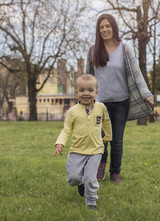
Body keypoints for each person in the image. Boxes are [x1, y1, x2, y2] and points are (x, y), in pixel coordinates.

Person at [86, 14, 154, 183]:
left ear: (114, 28)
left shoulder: (125, 48)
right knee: (101, 139)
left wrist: (147, 94)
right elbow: (88, 76)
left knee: (117, 140)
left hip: (120, 102)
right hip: (99, 103)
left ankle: (115, 172)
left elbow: (136, 73)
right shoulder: (93, 50)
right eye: (101, 27)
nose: (105, 29)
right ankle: (100, 165)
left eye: (108, 26)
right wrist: (84, 98)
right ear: (98, 30)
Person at [54, 74, 112, 209]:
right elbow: (66, 130)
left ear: (96, 92)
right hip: (77, 151)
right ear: (76, 93)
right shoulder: (72, 111)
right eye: (82, 90)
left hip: (96, 150)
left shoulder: (101, 107)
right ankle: (80, 184)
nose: (86, 93)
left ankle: (91, 202)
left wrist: (108, 136)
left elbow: (106, 122)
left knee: (91, 178)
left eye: (90, 90)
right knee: (73, 178)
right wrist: (60, 142)